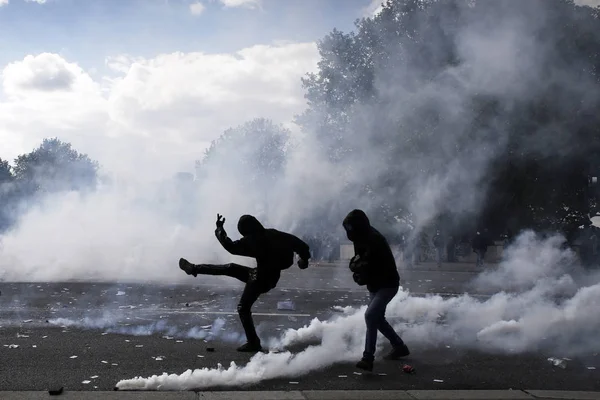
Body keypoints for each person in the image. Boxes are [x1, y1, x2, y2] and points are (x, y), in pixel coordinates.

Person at [179, 213, 311, 352]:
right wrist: (304, 261)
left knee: (243, 308)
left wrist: (219, 229)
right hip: (266, 276)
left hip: (260, 279)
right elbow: (301, 245)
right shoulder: (274, 234)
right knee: (230, 268)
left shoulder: (253, 240)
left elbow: (229, 246)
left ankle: (253, 342)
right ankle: (193, 269)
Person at [343, 209, 410, 372]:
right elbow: (359, 260)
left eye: (352, 228)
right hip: (376, 284)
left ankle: (368, 358)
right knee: (377, 318)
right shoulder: (360, 238)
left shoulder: (374, 239)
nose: (349, 232)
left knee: (371, 315)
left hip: (387, 284)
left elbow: (367, 264)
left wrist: (359, 271)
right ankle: (399, 346)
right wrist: (357, 268)